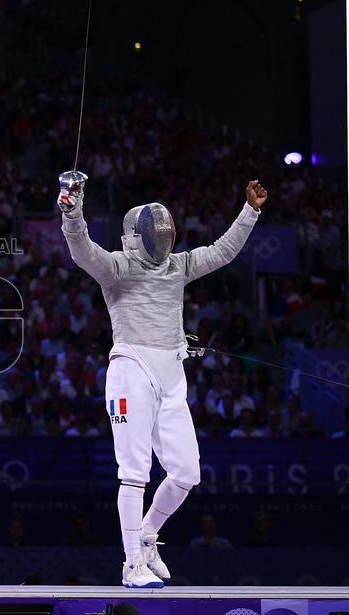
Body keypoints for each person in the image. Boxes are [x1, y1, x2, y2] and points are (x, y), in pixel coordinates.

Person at [58, 171, 267, 588]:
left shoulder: (178, 266)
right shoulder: (117, 268)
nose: (163, 240)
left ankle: (149, 536)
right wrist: (72, 212)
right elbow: (82, 250)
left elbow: (222, 252)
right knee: (134, 471)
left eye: (166, 233)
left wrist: (250, 211)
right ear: (137, 235)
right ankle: (131, 561)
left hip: (173, 376)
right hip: (131, 371)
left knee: (187, 473)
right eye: (155, 233)